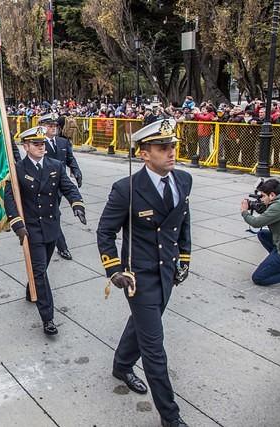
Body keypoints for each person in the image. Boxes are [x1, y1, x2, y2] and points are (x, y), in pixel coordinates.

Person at [97, 118, 192, 427]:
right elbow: (105, 232)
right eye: (162, 148)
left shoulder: (184, 180)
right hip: (138, 279)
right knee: (154, 349)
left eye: (172, 146)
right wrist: (114, 270)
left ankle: (121, 364)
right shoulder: (127, 189)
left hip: (167, 274)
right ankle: (170, 416)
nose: (171, 153)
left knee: (141, 326)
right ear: (144, 154)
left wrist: (185, 257)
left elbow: (183, 220)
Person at [4, 126, 86, 336]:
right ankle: (48, 318)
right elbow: (10, 198)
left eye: (42, 143)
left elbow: (67, 186)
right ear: (26, 146)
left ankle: (31, 288)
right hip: (31, 228)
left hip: (51, 227)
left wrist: (76, 203)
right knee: (40, 272)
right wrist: (17, 223)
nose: (41, 147)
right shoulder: (17, 170)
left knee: (41, 268)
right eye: (36, 144)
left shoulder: (55, 165)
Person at [240, 179, 280, 290]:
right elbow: (274, 216)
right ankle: (278, 263)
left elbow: (256, 223)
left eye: (263, 196)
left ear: (272, 195)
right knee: (263, 234)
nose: (261, 199)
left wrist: (244, 212)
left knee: (259, 278)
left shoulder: (278, 207)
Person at [38, 112, 83, 261]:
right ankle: (62, 247)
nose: (53, 128)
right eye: (49, 125)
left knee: (53, 215)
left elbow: (70, 159)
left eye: (55, 125)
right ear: (42, 127)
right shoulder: (38, 144)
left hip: (61, 186)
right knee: (55, 215)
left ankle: (53, 240)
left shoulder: (63, 142)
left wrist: (76, 171)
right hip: (46, 187)